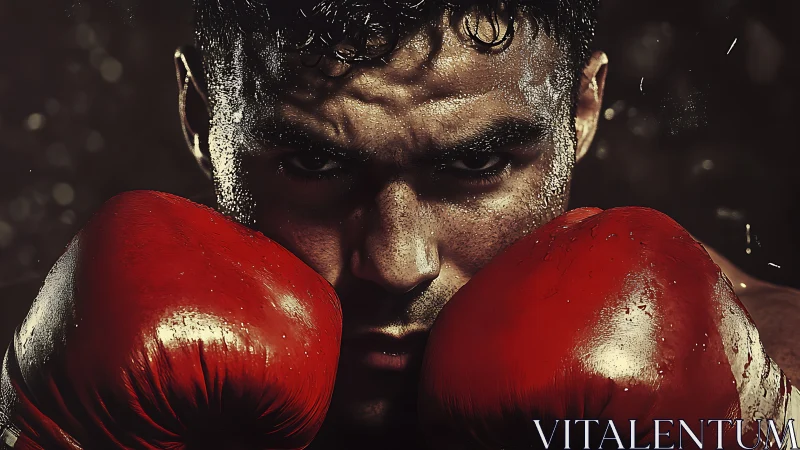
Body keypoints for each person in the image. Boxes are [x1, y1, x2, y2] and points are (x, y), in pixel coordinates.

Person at [1, 1, 798, 449]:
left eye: (476, 164)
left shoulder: (762, 373)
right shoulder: (70, 362)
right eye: (313, 165)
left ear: (582, 111)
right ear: (202, 118)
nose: (396, 262)